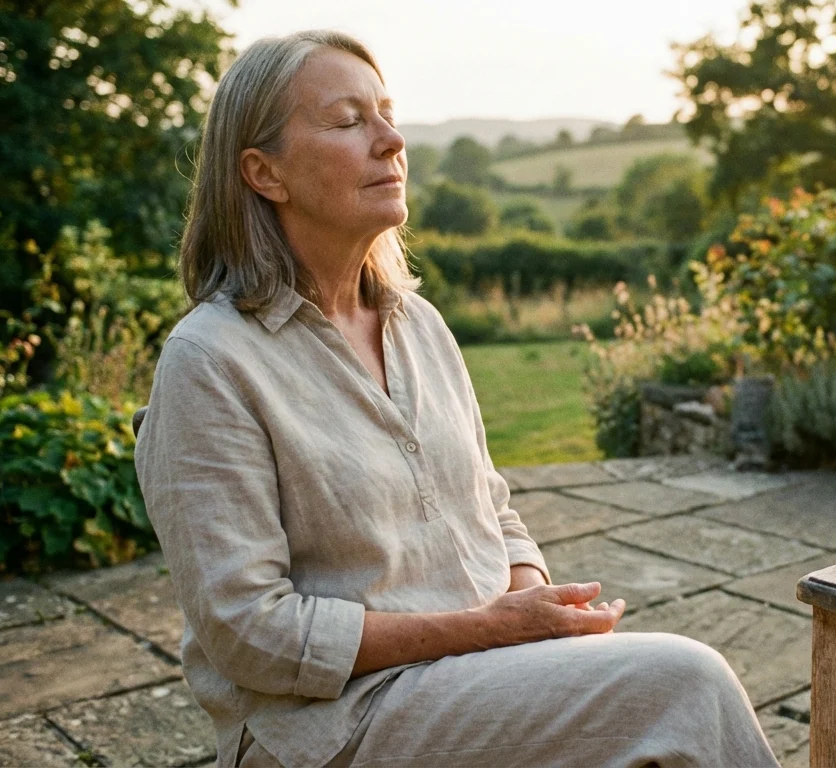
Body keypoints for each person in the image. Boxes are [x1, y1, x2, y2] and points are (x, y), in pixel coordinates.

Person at [132, 29, 779, 768]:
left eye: (387, 113)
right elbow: (251, 632)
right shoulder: (209, 361)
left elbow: (492, 509)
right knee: (681, 685)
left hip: (477, 676)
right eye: (349, 122)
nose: (391, 139)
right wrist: (490, 629)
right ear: (263, 172)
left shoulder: (421, 326)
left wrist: (539, 607)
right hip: (333, 724)